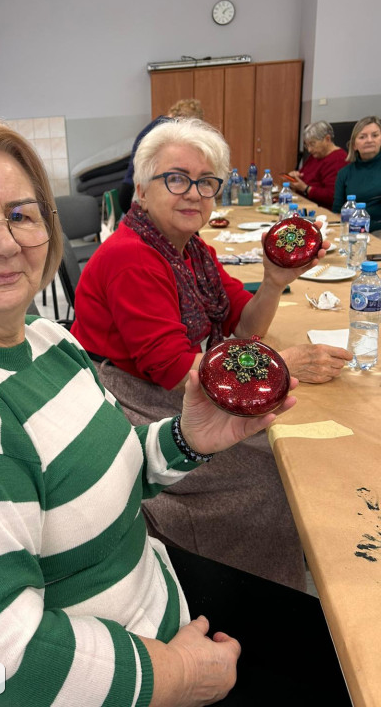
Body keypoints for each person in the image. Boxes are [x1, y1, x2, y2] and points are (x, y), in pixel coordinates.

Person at [0, 107, 305, 707]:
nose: (3, 243)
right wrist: (180, 674)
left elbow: (104, 471)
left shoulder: (41, 337)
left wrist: (187, 438)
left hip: (152, 610)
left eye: (20, 214)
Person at [71, 118, 353, 590]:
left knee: (286, 442)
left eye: (206, 182)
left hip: (175, 384)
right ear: (141, 189)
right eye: (176, 178)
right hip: (130, 402)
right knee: (274, 470)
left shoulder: (190, 250)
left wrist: (274, 282)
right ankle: (249, 594)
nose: (193, 193)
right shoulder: (131, 257)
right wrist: (281, 365)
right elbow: (177, 372)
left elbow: (243, 326)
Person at [119, 98, 204, 214]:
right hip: (134, 192)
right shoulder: (165, 130)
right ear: (183, 119)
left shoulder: (157, 125)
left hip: (131, 189)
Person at [333, 115, 381, 235]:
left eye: (375, 135)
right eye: (362, 137)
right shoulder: (344, 173)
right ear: (354, 145)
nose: (369, 140)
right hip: (351, 232)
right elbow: (337, 211)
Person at [286, 121, 347, 209]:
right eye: (307, 145)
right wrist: (295, 177)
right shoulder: (316, 155)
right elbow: (305, 176)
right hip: (303, 203)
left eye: (312, 144)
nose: (309, 150)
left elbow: (332, 196)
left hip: (322, 211)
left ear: (327, 139)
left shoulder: (339, 160)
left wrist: (305, 188)